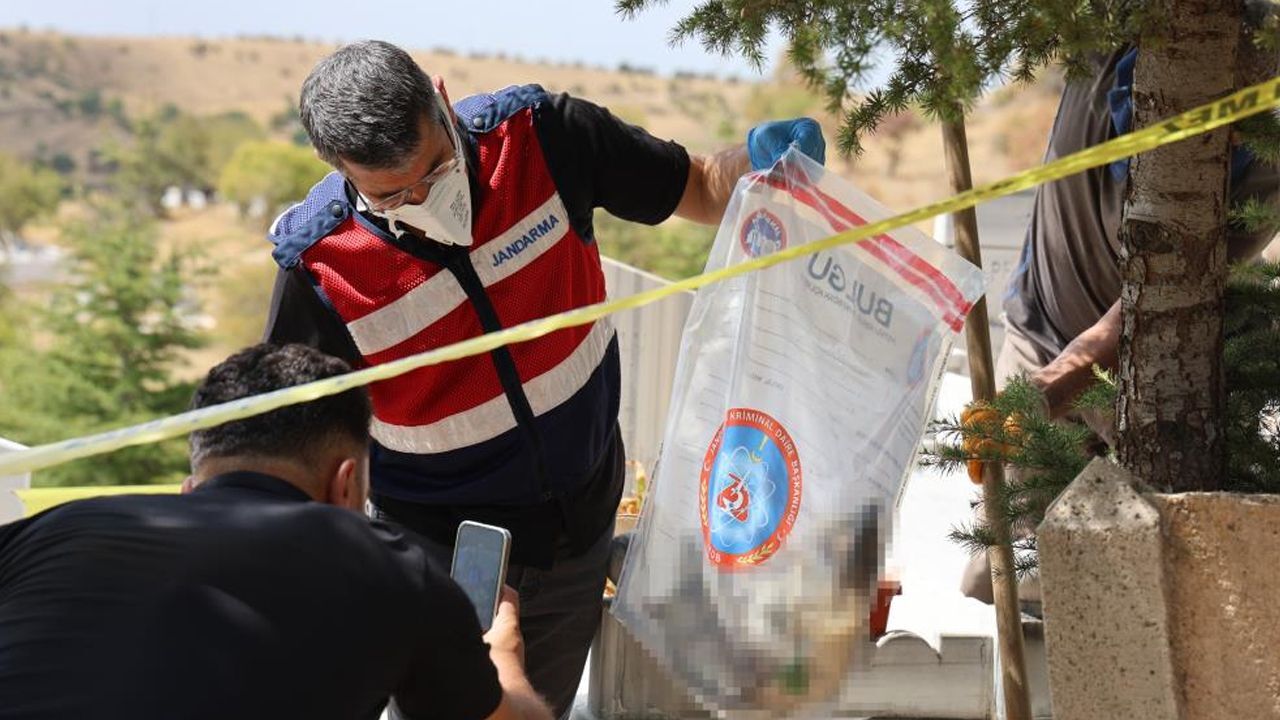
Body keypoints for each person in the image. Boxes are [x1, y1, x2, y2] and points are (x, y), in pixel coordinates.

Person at [262, 39, 826, 716]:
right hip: (444, 555)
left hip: (577, 528)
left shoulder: (542, 138)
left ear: (440, 100)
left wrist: (762, 163)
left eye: (434, 170)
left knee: (542, 709)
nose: (421, 199)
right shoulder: (321, 266)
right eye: (393, 195)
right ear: (339, 169)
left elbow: (701, 185)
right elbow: (291, 450)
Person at [0, 343, 552, 720]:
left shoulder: (43, 535)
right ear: (346, 483)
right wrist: (502, 657)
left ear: (190, 485)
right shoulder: (387, 566)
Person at [960, 41, 1280, 604]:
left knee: (1144, 604)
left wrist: (1042, 394)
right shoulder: (1103, 35)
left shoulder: (1264, 151)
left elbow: (1139, 313)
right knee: (1001, 582)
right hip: (1039, 330)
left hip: (1146, 379)